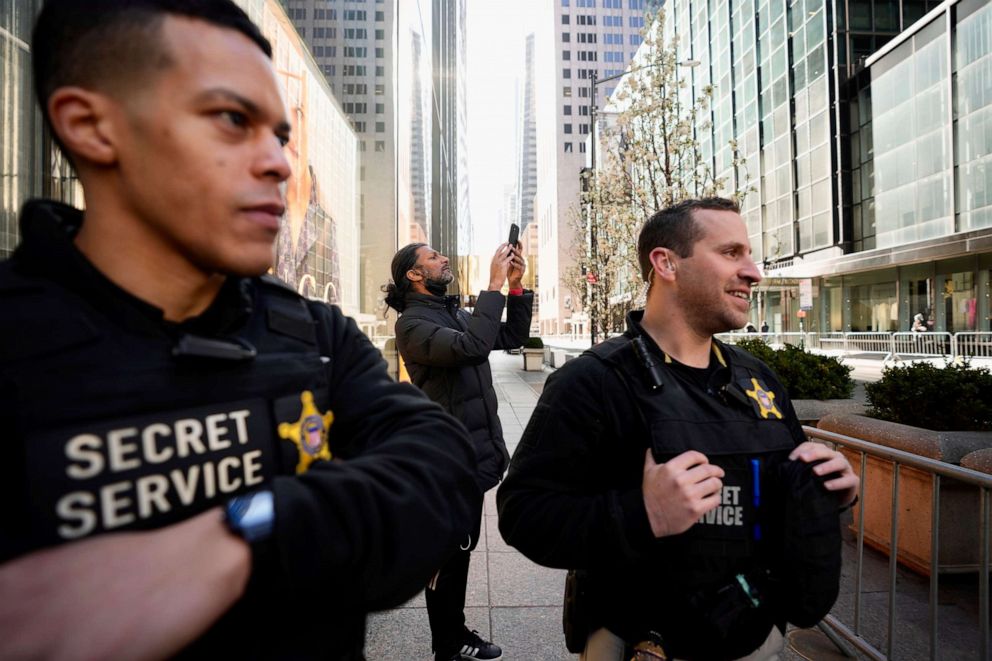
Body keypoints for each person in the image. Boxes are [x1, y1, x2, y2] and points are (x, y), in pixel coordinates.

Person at [0, 2, 481, 659]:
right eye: (232, 120)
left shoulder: (312, 334)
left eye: (279, 135)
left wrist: (236, 538)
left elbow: (442, 468)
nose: (279, 164)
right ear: (91, 126)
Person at [497, 197, 858, 661]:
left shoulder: (759, 380)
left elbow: (781, 493)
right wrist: (642, 513)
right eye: (731, 253)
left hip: (756, 639)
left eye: (749, 254)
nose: (754, 272)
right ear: (665, 263)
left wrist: (831, 490)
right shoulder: (593, 381)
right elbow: (523, 515)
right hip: (643, 646)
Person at [384, 241, 532, 661]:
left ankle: (451, 634)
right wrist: (493, 285)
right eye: (432, 257)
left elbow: (510, 336)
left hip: (472, 454)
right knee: (449, 557)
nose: (442, 258)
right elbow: (473, 348)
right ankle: (447, 643)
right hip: (447, 461)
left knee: (459, 551)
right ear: (414, 275)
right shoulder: (412, 324)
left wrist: (516, 289)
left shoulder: (451, 313)